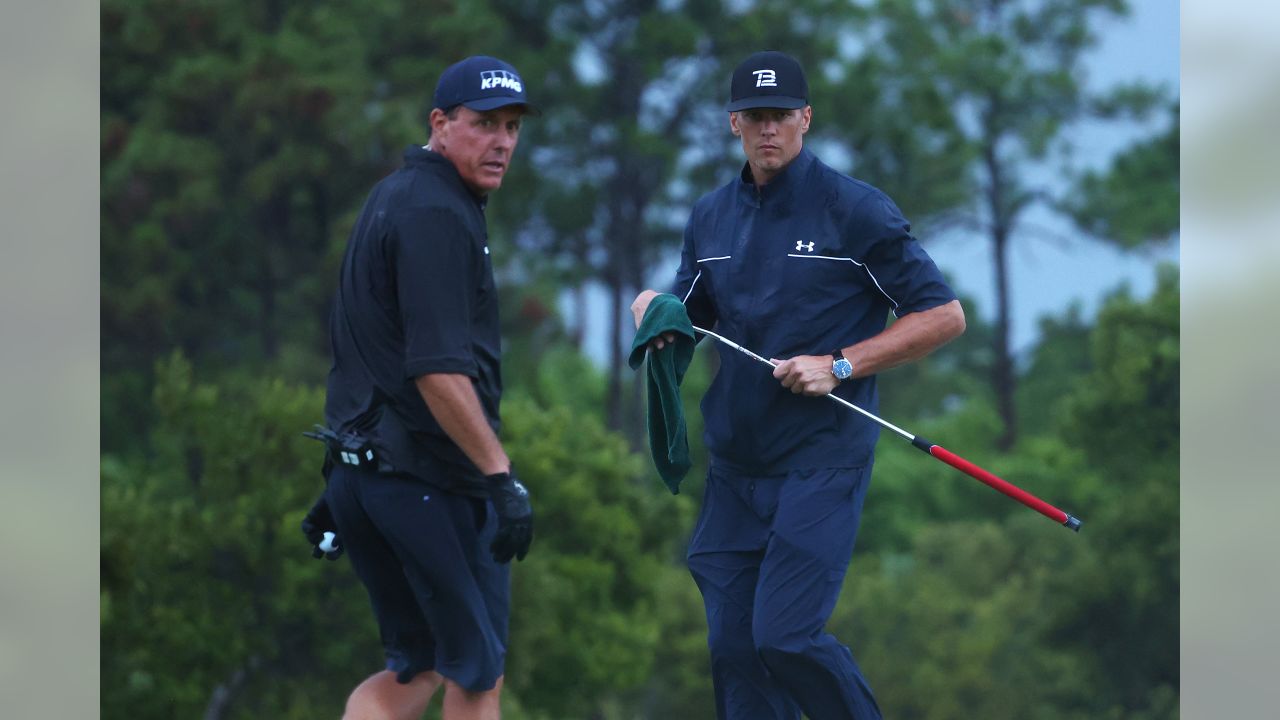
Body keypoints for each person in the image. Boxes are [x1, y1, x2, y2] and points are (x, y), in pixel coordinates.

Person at [631, 50, 966, 720]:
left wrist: (839, 364)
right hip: (736, 466)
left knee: (783, 638)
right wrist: (655, 313)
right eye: (755, 117)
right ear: (733, 123)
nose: (769, 130)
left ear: (805, 118)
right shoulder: (710, 219)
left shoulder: (855, 210)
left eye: (781, 115)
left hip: (821, 461)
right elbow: (690, 314)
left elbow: (943, 316)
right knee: (733, 651)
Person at [301, 55, 537, 720]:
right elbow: (434, 370)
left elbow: (361, 350)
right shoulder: (437, 213)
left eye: (513, 127)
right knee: (476, 672)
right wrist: (499, 477)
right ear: (441, 122)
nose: (502, 142)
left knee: (418, 667)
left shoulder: (393, 196)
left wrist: (341, 481)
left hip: (366, 474)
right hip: (427, 479)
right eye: (485, 124)